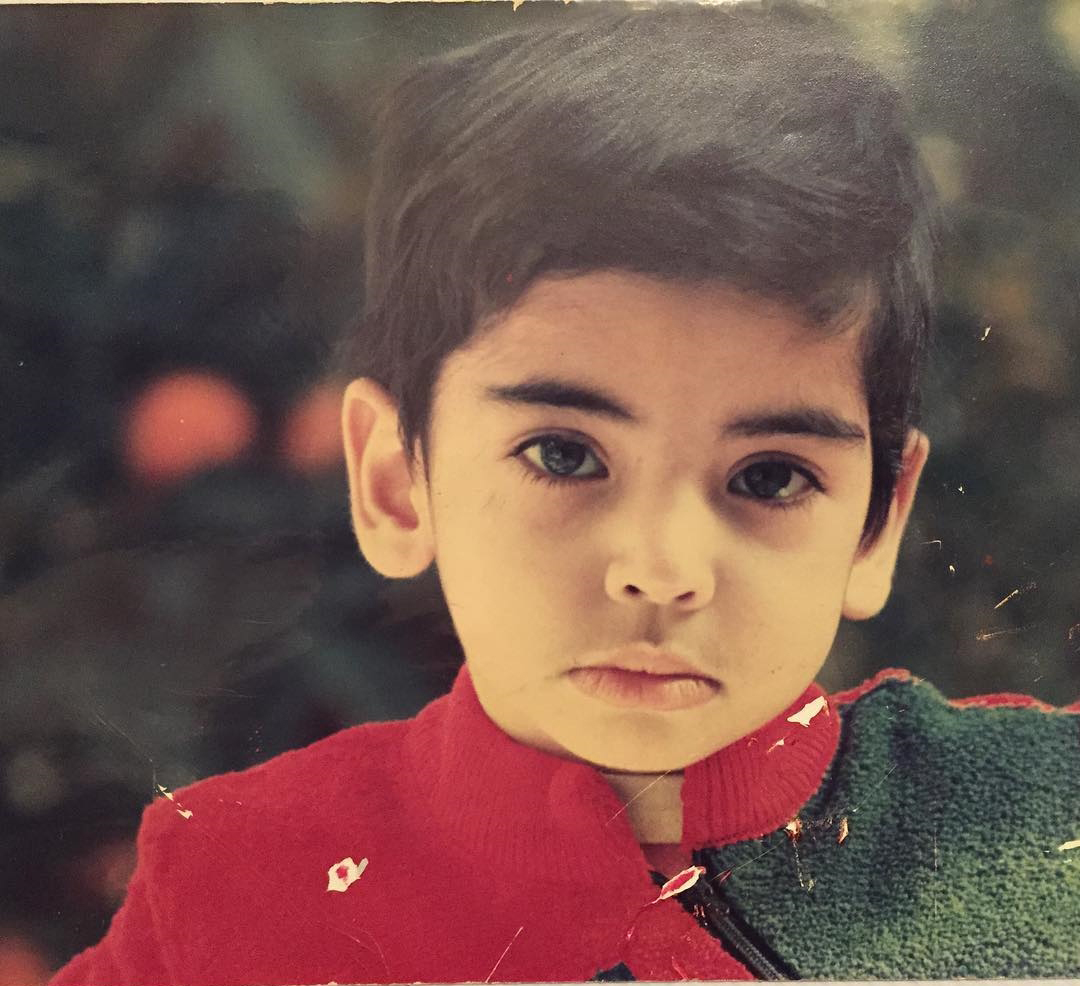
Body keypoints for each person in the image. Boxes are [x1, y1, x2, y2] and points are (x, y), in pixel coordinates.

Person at [51, 3, 1080, 984]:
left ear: (877, 522)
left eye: (769, 475)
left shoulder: (1039, 824)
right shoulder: (232, 888)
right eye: (564, 455)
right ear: (395, 480)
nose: (662, 569)